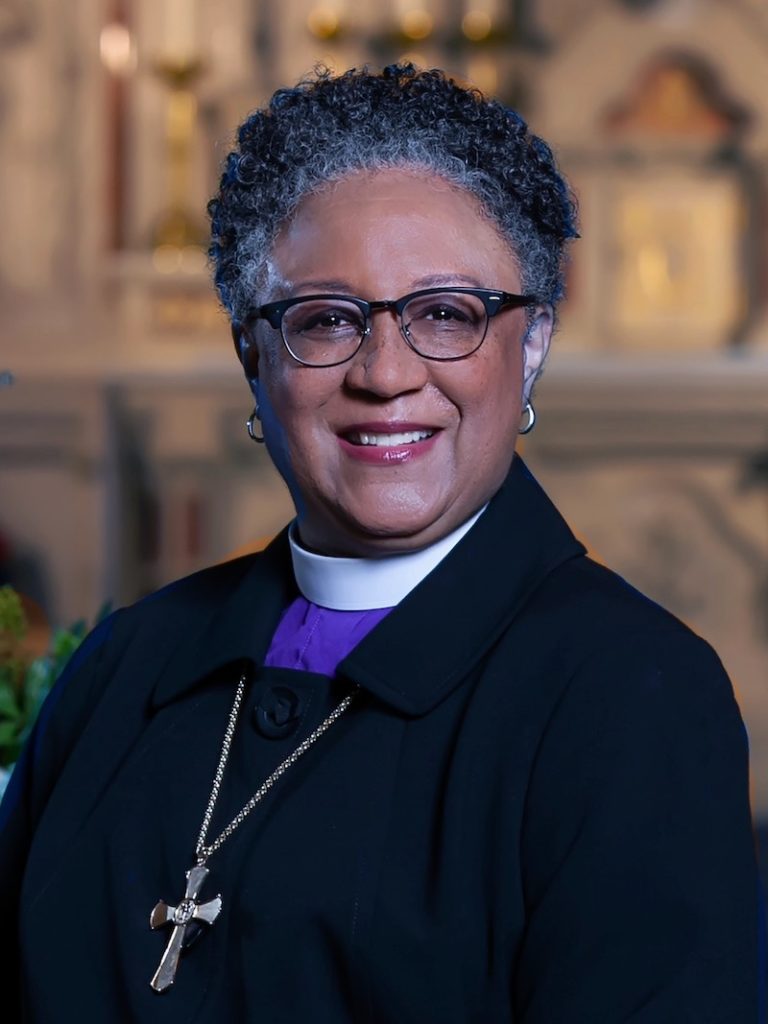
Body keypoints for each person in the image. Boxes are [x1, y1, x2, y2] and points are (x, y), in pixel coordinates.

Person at [0, 64, 762, 1022]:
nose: (387, 373)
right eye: (326, 320)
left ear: (530, 348)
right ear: (253, 355)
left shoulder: (631, 699)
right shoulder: (125, 667)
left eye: (446, 314)